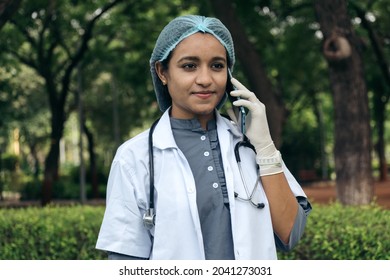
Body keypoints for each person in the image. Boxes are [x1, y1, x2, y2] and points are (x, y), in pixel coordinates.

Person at [96, 14, 312, 260]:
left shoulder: (249, 145)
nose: (205, 80)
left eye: (217, 66)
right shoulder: (134, 157)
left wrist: (264, 146)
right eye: (189, 66)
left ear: (229, 75)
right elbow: (125, 258)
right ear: (162, 72)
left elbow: (289, 234)